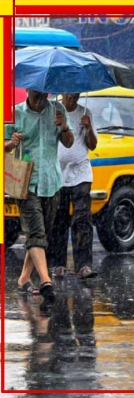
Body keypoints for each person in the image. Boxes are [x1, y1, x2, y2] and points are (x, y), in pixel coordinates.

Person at [5, 89, 74, 310]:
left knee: (42, 233)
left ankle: (24, 277)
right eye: (37, 91)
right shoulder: (14, 113)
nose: (41, 95)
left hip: (51, 181)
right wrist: (10, 144)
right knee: (35, 232)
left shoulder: (58, 109)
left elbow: (69, 142)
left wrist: (64, 126)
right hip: (26, 182)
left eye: (44, 91)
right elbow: (3, 146)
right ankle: (46, 281)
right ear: (28, 90)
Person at [48, 93, 98, 280]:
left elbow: (92, 146)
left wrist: (89, 128)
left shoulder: (85, 112)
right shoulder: (52, 111)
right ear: (63, 94)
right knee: (58, 221)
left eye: (76, 94)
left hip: (81, 173)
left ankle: (83, 265)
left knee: (82, 219)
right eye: (70, 94)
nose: (73, 98)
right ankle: (58, 264)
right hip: (58, 174)